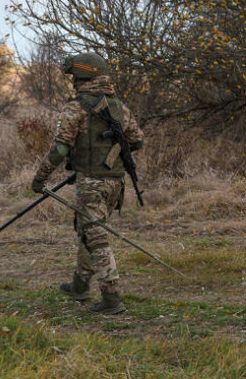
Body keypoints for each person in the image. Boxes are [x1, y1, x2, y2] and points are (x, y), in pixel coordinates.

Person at [31, 53, 144, 314]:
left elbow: (60, 150)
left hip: (93, 183)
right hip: (115, 183)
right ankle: (80, 285)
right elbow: (137, 141)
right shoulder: (119, 106)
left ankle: (112, 299)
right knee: (88, 231)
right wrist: (111, 155)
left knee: (96, 237)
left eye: (74, 78)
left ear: (83, 78)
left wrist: (40, 177)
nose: (72, 83)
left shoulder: (77, 107)